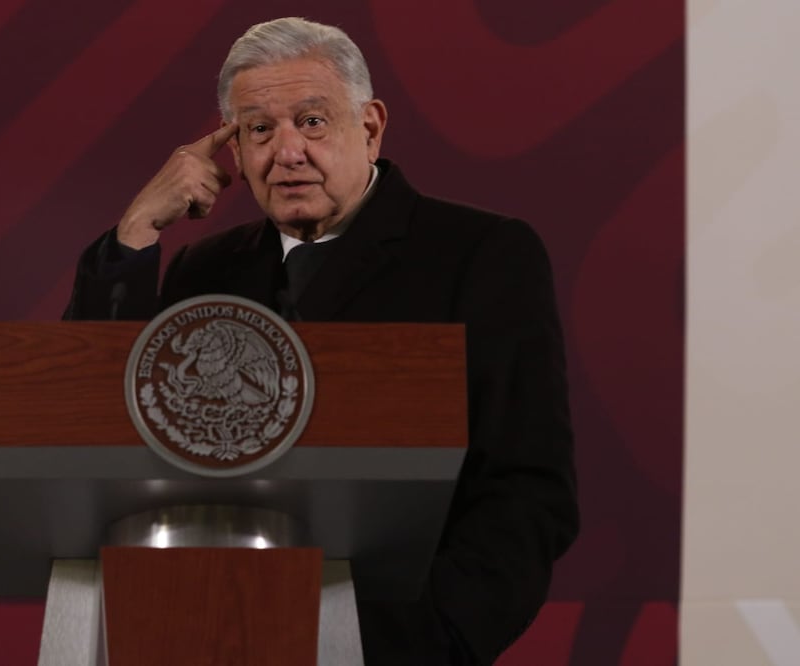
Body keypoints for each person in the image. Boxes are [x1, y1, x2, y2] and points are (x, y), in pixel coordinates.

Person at [65, 17, 578, 665]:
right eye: (258, 129)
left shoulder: (480, 254)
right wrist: (135, 236)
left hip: (399, 643)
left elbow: (526, 488)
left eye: (311, 121)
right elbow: (84, 431)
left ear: (369, 127)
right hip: (211, 634)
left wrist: (430, 638)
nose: (286, 152)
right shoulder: (207, 271)